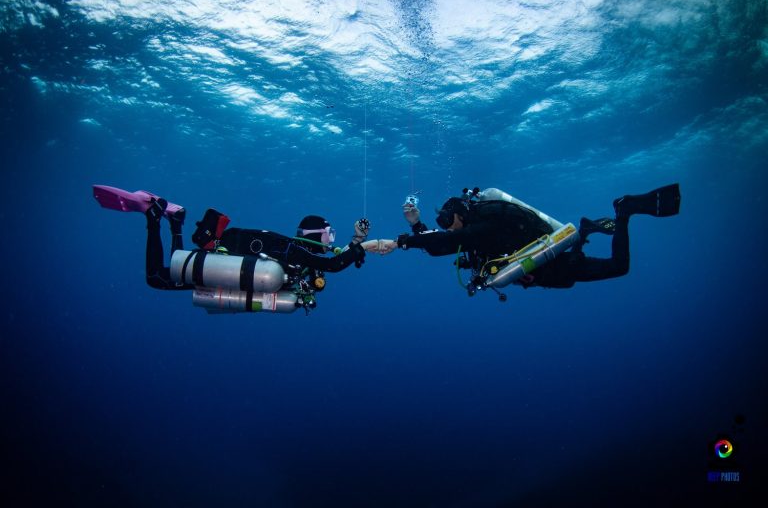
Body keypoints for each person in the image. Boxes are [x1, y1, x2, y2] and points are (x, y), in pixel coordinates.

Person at [93, 185, 394, 309]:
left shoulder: (300, 254)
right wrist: (365, 245)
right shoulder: (295, 251)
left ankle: (174, 221)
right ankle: (154, 218)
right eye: (330, 233)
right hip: (221, 265)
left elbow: (333, 260)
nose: (332, 238)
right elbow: (334, 265)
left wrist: (355, 242)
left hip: (224, 265)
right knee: (157, 278)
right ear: (317, 234)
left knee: (174, 270)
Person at [395, 184, 681, 289]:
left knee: (619, 267)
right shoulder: (473, 234)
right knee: (604, 265)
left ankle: (624, 210)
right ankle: (584, 231)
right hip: (549, 266)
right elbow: (438, 247)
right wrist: (417, 225)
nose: (446, 227)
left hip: (555, 265)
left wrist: (402, 241)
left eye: (447, 220)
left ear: (460, 213)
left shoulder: (484, 228)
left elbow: (444, 242)